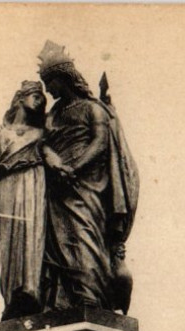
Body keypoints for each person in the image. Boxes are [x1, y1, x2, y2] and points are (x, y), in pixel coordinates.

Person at [37, 42, 139, 313]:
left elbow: (100, 142)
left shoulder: (91, 108)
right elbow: (41, 141)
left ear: (64, 78)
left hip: (86, 187)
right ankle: (61, 302)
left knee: (84, 240)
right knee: (57, 246)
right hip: (57, 189)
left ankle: (90, 299)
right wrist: (51, 158)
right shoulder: (53, 114)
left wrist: (74, 167)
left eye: (50, 82)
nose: (48, 90)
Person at [0, 81, 47, 320]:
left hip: (35, 186)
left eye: (43, 97)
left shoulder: (43, 134)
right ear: (20, 99)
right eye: (36, 95)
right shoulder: (2, 135)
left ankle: (31, 292)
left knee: (34, 237)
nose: (41, 100)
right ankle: (13, 298)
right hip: (9, 190)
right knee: (10, 245)